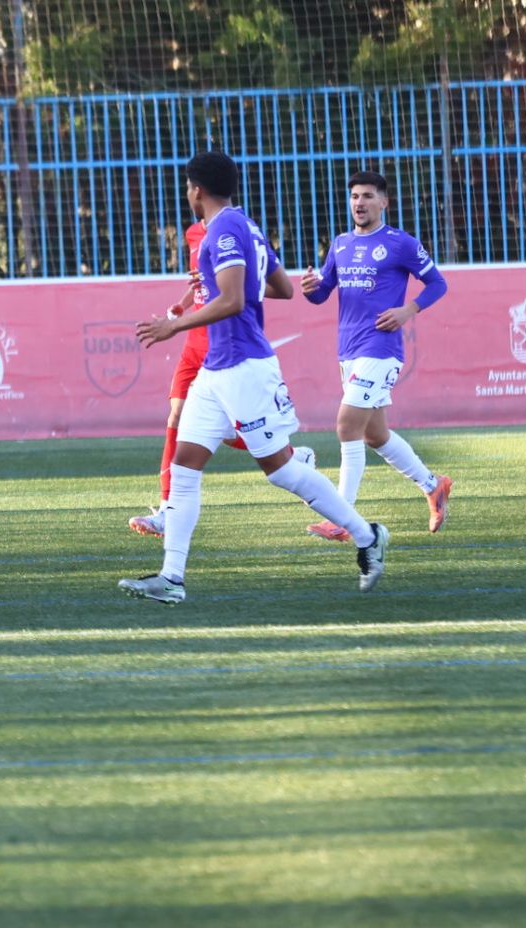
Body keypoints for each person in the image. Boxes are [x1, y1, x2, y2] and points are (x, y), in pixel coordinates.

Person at [125, 151, 390, 604]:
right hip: (217, 369)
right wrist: (230, 284)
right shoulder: (244, 225)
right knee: (185, 466)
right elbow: (282, 288)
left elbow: (232, 300)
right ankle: (171, 578)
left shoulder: (224, 229)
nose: (188, 194)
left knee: (280, 470)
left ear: (196, 190)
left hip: (245, 367)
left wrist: (175, 325)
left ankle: (367, 536)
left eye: (188, 187)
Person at [129, 219, 314, 536]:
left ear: (200, 194)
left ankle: (291, 455)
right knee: (177, 417)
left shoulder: (236, 229)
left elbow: (262, 287)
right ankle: (167, 509)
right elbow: (203, 283)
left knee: (228, 429)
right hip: (194, 343)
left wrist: (237, 285)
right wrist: (181, 306)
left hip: (222, 343)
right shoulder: (193, 232)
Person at [300, 170, 451, 540]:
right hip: (348, 350)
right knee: (374, 435)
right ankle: (433, 485)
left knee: (346, 425)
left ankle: (342, 517)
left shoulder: (400, 243)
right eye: (354, 196)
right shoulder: (340, 244)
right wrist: (310, 288)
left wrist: (408, 310)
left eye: (367, 196)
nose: (359, 203)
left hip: (381, 348)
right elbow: (323, 293)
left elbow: (438, 283)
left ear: (384, 202)